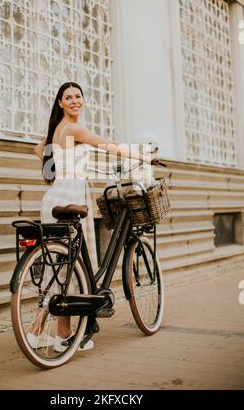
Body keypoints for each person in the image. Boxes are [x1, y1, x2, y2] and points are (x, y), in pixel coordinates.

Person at [29, 82, 158, 352]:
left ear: (83, 101)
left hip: (56, 195)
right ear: (60, 103)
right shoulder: (74, 128)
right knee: (68, 269)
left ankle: (60, 334)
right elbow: (108, 145)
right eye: (68, 97)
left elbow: (37, 150)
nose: (75, 100)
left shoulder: (56, 129)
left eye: (78, 96)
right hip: (71, 197)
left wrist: (63, 167)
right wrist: (143, 157)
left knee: (63, 268)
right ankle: (37, 328)